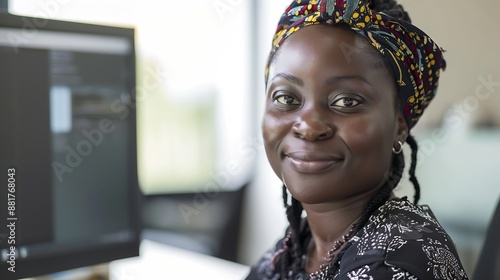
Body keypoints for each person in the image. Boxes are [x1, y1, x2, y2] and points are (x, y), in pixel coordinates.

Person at [246, 0, 469, 279]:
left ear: (399, 127)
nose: (309, 127)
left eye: (347, 101)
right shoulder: (295, 248)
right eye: (286, 98)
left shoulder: (395, 263)